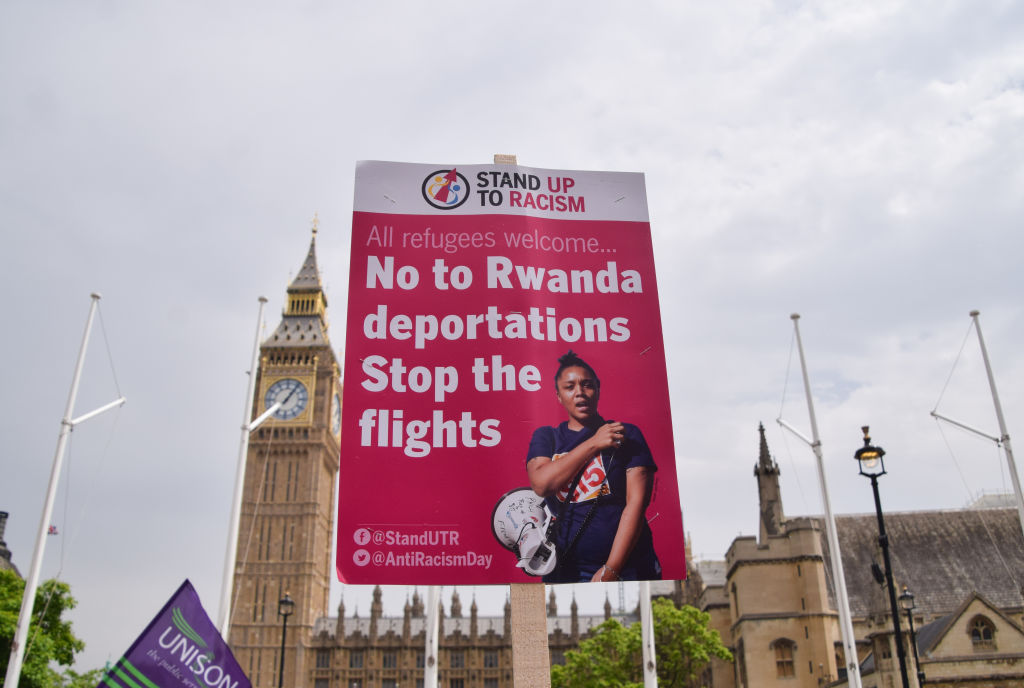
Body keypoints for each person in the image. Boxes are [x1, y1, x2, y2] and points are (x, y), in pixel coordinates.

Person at [526, 350, 661, 583]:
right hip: (565, 569)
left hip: (628, 569)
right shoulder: (547, 437)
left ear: (597, 389)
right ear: (558, 395)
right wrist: (594, 443)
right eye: (569, 387)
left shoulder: (627, 434)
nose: (579, 392)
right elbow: (542, 483)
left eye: (586, 385)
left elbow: (636, 504)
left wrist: (612, 569)